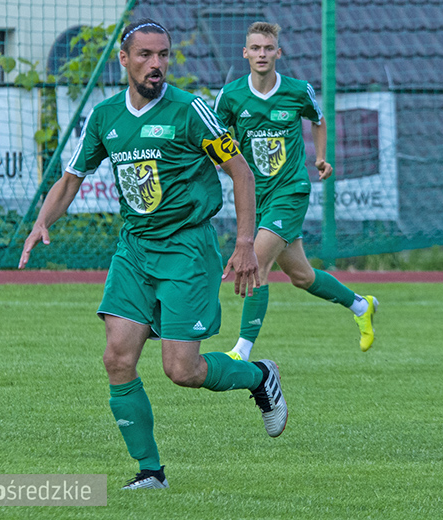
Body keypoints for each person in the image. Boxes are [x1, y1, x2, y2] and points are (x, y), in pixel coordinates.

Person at [18, 19, 287, 490]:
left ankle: (259, 376)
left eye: (163, 54)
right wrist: (43, 221)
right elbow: (72, 177)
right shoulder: (104, 116)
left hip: (186, 248)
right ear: (124, 60)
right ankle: (151, 472)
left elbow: (241, 173)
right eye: (145, 55)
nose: (156, 64)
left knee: (182, 370)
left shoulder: (190, 110)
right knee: (117, 359)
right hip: (134, 250)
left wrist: (245, 243)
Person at [214, 22, 378, 362]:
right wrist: (219, 161)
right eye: (255, 48)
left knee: (255, 263)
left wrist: (320, 156)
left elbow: (318, 119)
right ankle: (361, 305)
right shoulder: (230, 96)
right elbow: (214, 134)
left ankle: (242, 351)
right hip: (255, 198)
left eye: (268, 48)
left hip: (290, 191)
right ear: (245, 53)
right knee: (302, 276)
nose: (262, 54)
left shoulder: (298, 90)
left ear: (278, 53)